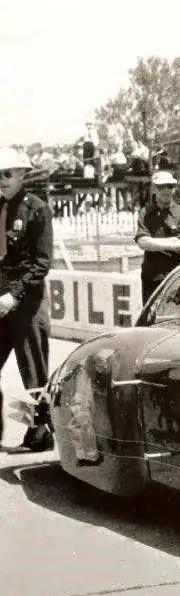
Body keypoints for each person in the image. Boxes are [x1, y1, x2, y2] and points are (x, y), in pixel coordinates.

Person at [0, 147, 54, 452]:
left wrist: (14, 294)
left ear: (22, 174)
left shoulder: (37, 209)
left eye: (7, 173)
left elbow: (42, 262)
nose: (2, 179)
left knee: (33, 370)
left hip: (26, 300)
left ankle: (40, 431)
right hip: (1, 296)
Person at [134, 170, 180, 303]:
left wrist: (152, 243)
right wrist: (172, 244)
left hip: (178, 278)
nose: (166, 190)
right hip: (152, 279)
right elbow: (142, 242)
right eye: (161, 186)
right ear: (153, 189)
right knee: (152, 315)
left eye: (170, 186)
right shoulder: (146, 213)